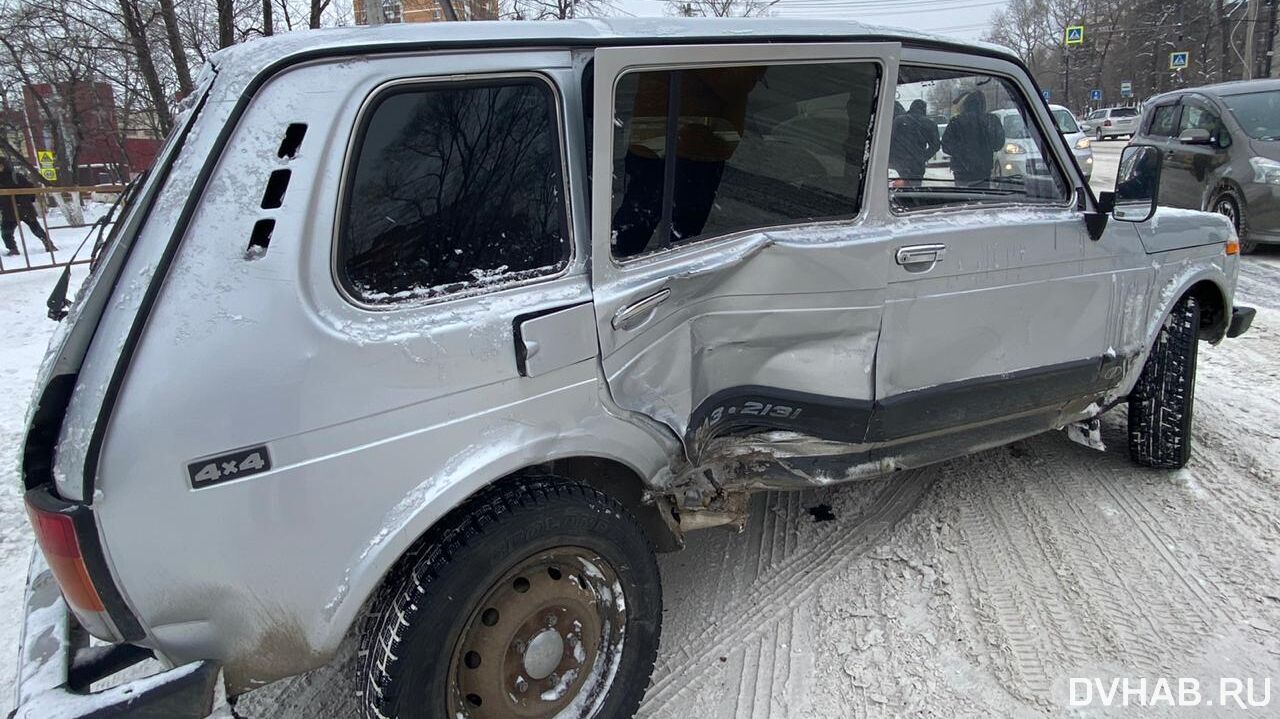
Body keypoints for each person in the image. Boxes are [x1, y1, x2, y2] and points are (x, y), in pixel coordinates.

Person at [941, 92, 1005, 186]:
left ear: (966, 104)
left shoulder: (956, 121)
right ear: (984, 104)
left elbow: (946, 146)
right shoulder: (992, 120)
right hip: (983, 171)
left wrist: (962, 153)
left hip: (961, 171)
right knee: (981, 197)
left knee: (961, 200)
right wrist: (983, 149)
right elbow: (998, 144)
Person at [0, 159, 56, 255]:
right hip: (9, 210)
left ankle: (48, 244)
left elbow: (30, 189)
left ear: (5, 165)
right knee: (6, 231)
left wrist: (25, 201)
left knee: (35, 228)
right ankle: (13, 249)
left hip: (24, 208)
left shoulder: (16, 176)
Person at [889, 100, 942, 186]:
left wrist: (894, 157)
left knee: (897, 191)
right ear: (924, 109)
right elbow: (936, 145)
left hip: (899, 162)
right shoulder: (930, 123)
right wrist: (923, 157)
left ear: (911, 108)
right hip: (917, 165)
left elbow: (891, 140)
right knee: (914, 188)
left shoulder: (899, 120)